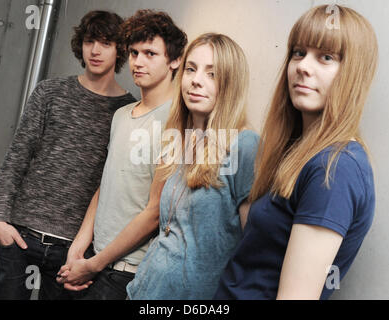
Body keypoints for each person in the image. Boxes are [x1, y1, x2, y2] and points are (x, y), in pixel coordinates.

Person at [215, 5, 378, 300]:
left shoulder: (335, 168)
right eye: (298, 52)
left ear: (353, 72)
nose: (303, 66)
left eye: (326, 57)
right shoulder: (298, 151)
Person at [0, 10, 136, 300]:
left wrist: (88, 253)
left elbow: (112, 187)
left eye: (106, 43)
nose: (95, 50)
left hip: (73, 251)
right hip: (20, 235)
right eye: (90, 41)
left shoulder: (127, 112)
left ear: (120, 50)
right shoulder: (49, 92)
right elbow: (16, 158)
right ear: (80, 44)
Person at [56, 10, 187, 300]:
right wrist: (79, 246)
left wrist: (93, 265)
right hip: (93, 257)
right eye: (134, 53)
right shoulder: (121, 115)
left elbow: (155, 212)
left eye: (151, 54)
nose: (138, 62)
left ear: (175, 60)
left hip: (128, 269)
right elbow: (107, 183)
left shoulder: (178, 120)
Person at [126, 33, 260, 300]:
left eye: (212, 74)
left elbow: (254, 250)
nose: (196, 80)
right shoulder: (180, 142)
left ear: (230, 84)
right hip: (143, 292)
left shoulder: (244, 145)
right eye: (191, 69)